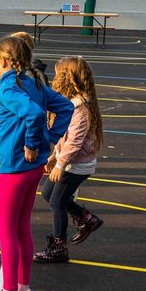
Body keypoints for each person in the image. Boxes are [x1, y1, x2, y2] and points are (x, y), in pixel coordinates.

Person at [0, 35, 72, 291]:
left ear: (4, 61)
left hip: (15, 167)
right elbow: (65, 107)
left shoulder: (9, 88)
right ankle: (22, 289)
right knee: (21, 227)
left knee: (6, 230)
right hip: (32, 168)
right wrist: (48, 139)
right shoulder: (34, 82)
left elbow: (33, 114)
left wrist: (34, 142)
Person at [34, 56, 105, 263]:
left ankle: (58, 247)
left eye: (58, 75)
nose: (55, 79)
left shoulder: (80, 107)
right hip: (70, 160)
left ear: (67, 78)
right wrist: (54, 156)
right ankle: (86, 217)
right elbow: (64, 137)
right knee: (48, 194)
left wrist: (60, 164)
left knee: (57, 201)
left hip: (76, 164)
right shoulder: (72, 103)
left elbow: (74, 142)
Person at [0, 32, 47, 213]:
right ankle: (0, 196)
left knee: (2, 164)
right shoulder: (26, 78)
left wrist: (33, 141)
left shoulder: (19, 82)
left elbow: (36, 111)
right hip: (20, 133)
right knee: (5, 165)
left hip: (18, 135)